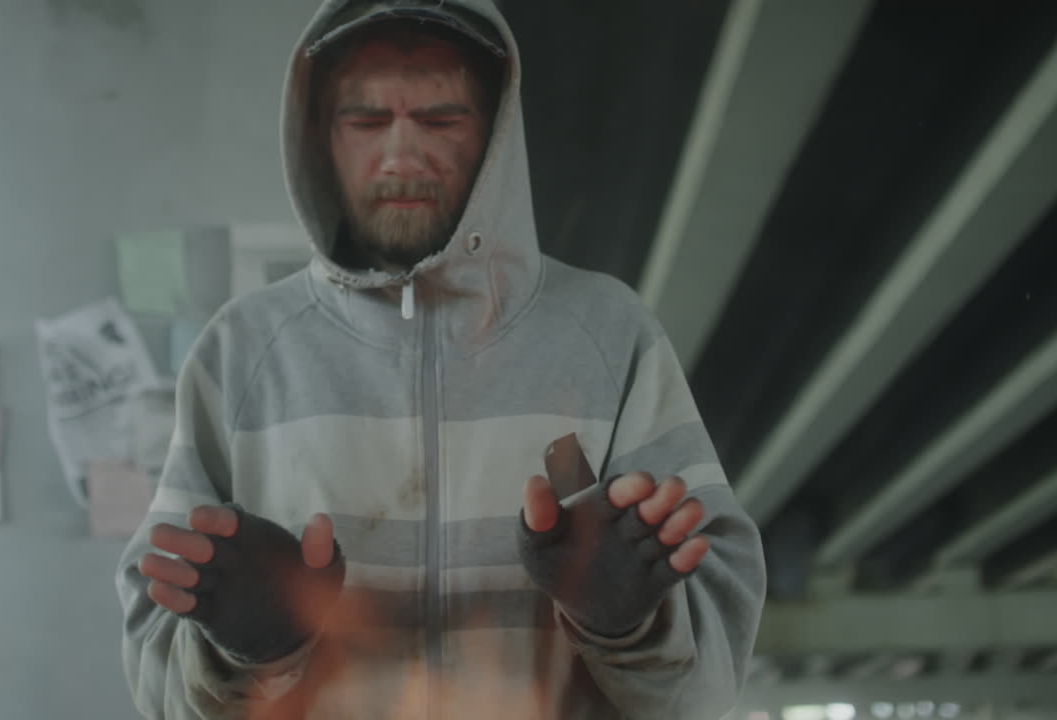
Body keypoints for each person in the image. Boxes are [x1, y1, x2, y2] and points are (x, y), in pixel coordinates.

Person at [116, 1, 766, 718]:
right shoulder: (239, 352)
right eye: (365, 121)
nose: (401, 155)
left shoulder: (609, 332)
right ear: (320, 139)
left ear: (495, 137)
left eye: (441, 119)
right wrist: (242, 652)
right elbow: (161, 688)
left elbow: (710, 680)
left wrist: (630, 624)